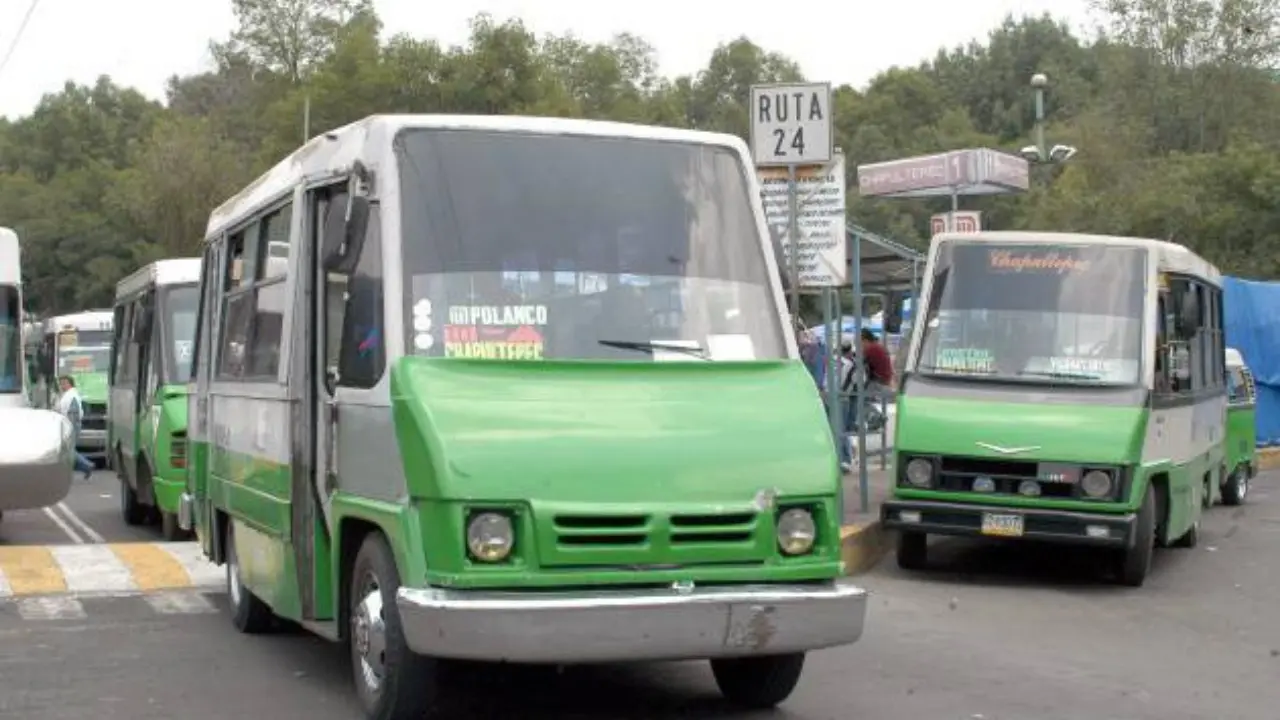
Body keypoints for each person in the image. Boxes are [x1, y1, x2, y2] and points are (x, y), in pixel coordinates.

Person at [56, 375, 94, 481]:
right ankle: (85, 467)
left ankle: (87, 466)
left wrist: (69, 429)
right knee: (67, 450)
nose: (62, 385)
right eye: (61, 383)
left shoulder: (71, 396)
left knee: (68, 450)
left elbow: (73, 414)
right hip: (68, 425)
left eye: (64, 383)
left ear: (69, 383)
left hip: (71, 425)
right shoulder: (67, 395)